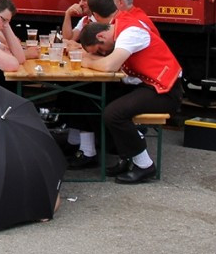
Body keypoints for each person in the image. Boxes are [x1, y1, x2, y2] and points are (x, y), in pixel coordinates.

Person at [78, 17, 183, 184]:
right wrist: (91, 61)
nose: (103, 53)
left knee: (114, 113)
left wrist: (86, 62)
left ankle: (144, 165)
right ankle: (125, 158)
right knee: (90, 95)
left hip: (164, 91)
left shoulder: (130, 33)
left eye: (100, 49)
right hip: (147, 86)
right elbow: (107, 63)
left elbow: (109, 66)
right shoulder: (120, 32)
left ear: (101, 36)